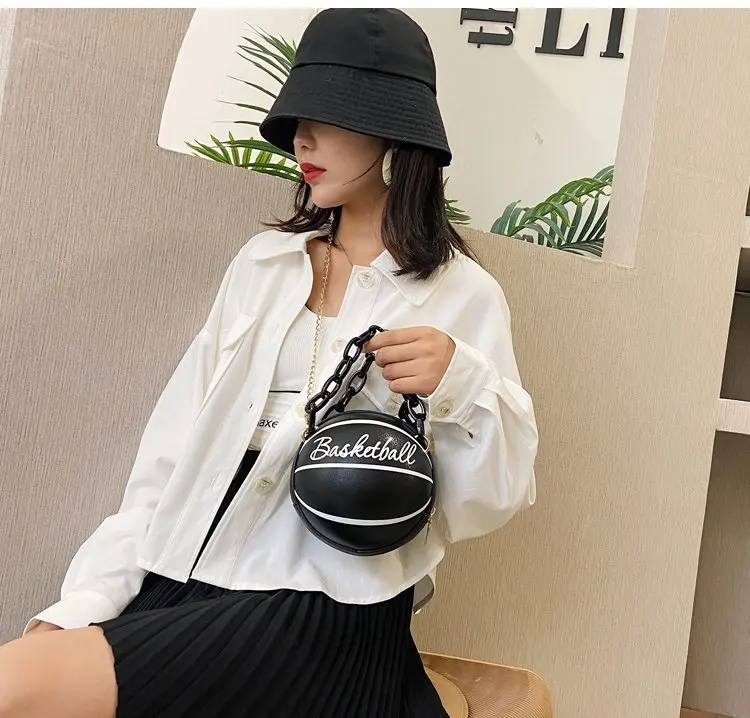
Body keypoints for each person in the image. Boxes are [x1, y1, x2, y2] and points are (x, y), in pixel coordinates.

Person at [0, 8, 538, 718]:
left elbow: (491, 499)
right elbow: (172, 450)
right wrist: (92, 595)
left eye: (326, 117)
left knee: (16, 689)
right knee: (27, 672)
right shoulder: (263, 265)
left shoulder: (461, 295)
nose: (301, 139)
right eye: (296, 120)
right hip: (193, 567)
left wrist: (461, 383)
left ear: (392, 129)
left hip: (328, 604)